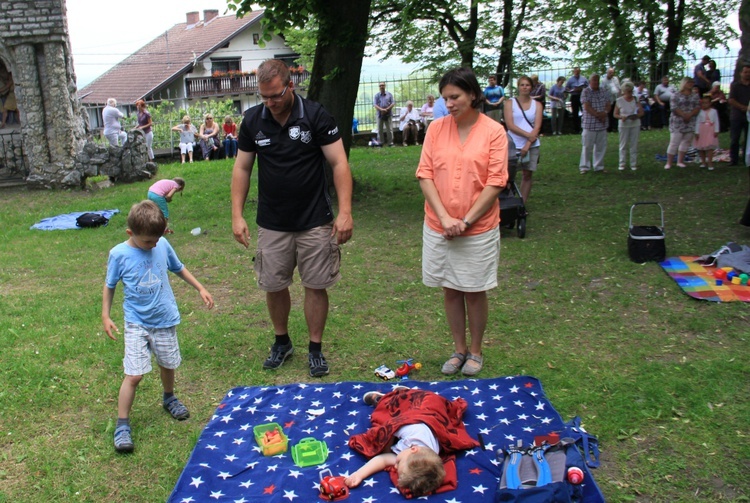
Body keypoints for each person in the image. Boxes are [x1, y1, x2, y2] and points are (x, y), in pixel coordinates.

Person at [231, 59, 353, 377]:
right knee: (274, 284)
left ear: (290, 86)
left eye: (275, 95)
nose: (270, 103)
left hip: (315, 218)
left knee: (315, 284)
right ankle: (282, 342)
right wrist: (236, 215)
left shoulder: (315, 115)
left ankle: (315, 349)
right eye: (264, 97)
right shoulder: (252, 121)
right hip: (272, 221)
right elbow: (242, 168)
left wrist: (345, 212)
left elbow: (339, 163)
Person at [416, 67, 508, 376]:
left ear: (473, 94)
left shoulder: (494, 132)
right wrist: (445, 218)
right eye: (445, 98)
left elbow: (496, 182)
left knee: (474, 288)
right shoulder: (436, 129)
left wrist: (465, 221)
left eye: (455, 97)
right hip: (439, 225)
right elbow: (425, 174)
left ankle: (476, 351)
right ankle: (458, 349)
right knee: (450, 288)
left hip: (477, 228)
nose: (449, 103)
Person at [102, 200, 214, 453]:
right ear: (130, 233)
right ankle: (122, 425)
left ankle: (169, 397)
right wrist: (106, 315)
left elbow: (178, 268)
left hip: (164, 319)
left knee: (167, 363)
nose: (152, 245)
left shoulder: (161, 243)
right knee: (135, 374)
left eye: (156, 240)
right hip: (136, 322)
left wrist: (200, 288)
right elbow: (110, 286)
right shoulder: (119, 254)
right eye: (147, 242)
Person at [346, 387, 479, 498]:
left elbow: (383, 460)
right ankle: (393, 396)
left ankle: (403, 393)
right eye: (398, 463)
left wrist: (359, 475)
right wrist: (384, 443)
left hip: (425, 422)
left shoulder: (418, 456)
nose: (395, 466)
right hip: (422, 409)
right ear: (413, 448)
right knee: (391, 410)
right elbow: (391, 427)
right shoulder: (412, 433)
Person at [504, 75, 543, 203]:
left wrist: (528, 144)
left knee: (527, 174)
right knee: (508, 175)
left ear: (531, 87)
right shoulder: (510, 103)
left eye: (527, 85)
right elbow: (510, 125)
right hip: (513, 143)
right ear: (518, 86)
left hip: (531, 144)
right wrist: (528, 135)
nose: (525, 87)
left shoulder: (537, 105)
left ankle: (522, 203)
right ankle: (508, 200)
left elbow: (537, 127)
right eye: (522, 85)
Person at [664, 77, 700, 170]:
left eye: (692, 82)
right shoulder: (676, 95)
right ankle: (669, 162)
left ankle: (680, 161)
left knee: (686, 141)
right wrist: (684, 115)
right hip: (678, 121)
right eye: (689, 82)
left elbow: (697, 107)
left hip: (690, 121)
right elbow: (673, 107)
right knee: (674, 142)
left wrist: (690, 114)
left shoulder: (695, 95)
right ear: (684, 83)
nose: (691, 84)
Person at [578, 73, 611, 173]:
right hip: (590, 123)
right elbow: (586, 106)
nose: (596, 82)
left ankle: (599, 166)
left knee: (600, 146)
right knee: (587, 146)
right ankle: (584, 167)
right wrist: (597, 115)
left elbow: (608, 104)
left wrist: (604, 113)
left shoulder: (604, 91)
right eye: (594, 80)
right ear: (590, 81)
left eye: (597, 80)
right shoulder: (586, 91)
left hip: (602, 123)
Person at [613, 81, 644, 171]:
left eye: (631, 91)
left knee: (634, 144)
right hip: (624, 125)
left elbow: (641, 112)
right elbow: (615, 114)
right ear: (624, 91)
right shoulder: (619, 101)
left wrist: (636, 116)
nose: (629, 93)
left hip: (635, 124)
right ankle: (622, 163)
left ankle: (633, 163)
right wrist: (621, 117)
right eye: (627, 91)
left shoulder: (636, 99)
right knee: (623, 144)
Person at [728, 64, 750, 166]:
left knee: (748, 138)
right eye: (745, 72)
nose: (747, 74)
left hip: (748, 117)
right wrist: (743, 107)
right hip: (737, 116)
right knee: (734, 138)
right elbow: (731, 100)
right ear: (741, 73)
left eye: (749, 72)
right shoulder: (735, 85)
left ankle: (746, 157)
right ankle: (734, 159)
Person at [694, 95, 720, 171]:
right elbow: (698, 122)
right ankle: (703, 162)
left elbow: (716, 121)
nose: (704, 105)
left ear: (710, 103)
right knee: (701, 147)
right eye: (703, 103)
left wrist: (716, 130)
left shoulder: (714, 111)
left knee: (709, 147)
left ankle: (710, 163)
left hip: (710, 130)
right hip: (702, 130)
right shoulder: (700, 112)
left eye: (706, 103)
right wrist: (696, 132)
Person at [565, 66, 588, 133]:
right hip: (574, 96)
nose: (577, 73)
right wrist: (572, 90)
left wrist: (582, 89)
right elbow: (566, 88)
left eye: (578, 72)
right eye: (576, 72)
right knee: (575, 113)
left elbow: (588, 86)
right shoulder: (570, 80)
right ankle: (576, 129)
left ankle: (584, 127)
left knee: (584, 112)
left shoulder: (583, 79)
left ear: (580, 71)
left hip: (582, 96)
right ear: (574, 72)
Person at [373, 82, 395, 146]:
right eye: (380, 86)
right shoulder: (377, 95)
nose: (381, 87)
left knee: (389, 129)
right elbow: (375, 104)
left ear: (385, 86)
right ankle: (380, 142)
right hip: (379, 114)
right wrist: (381, 110)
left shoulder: (389, 95)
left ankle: (390, 143)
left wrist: (387, 109)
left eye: (383, 85)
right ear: (379, 87)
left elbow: (393, 103)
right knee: (380, 129)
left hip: (388, 114)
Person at [601, 67, 621, 132]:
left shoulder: (615, 79)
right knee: (609, 114)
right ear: (607, 73)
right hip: (608, 100)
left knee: (616, 113)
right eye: (610, 73)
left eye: (612, 72)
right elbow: (602, 90)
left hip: (616, 98)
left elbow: (619, 88)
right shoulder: (604, 81)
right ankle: (609, 128)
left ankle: (615, 127)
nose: (611, 74)